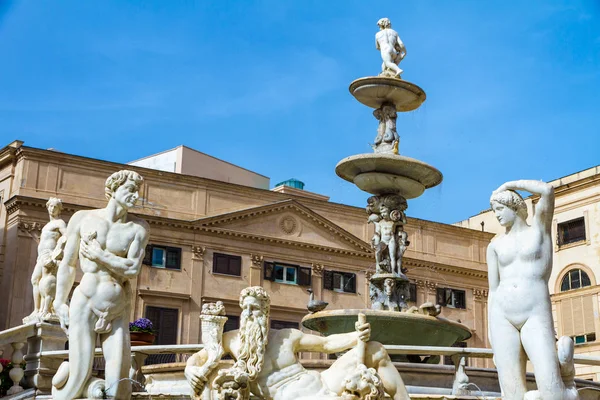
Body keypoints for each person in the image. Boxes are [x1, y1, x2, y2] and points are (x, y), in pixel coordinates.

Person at [185, 286, 409, 400]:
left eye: (255, 308)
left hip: (320, 381)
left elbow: (327, 344)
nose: (250, 314)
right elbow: (201, 357)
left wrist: (356, 336)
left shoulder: (286, 336)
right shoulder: (232, 340)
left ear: (265, 311)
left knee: (376, 349)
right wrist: (190, 370)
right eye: (246, 309)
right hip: (290, 396)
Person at [51, 170, 150, 400]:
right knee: (76, 380)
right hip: (85, 301)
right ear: (113, 190)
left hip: (118, 309)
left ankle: (95, 389)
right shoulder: (83, 219)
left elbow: (132, 269)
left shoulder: (139, 229)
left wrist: (99, 255)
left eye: (137, 192)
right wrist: (58, 301)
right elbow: (67, 264)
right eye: (130, 190)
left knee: (119, 387)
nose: (135, 196)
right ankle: (69, 382)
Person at [487, 180, 578, 400]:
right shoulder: (495, 245)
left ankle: (567, 380)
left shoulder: (539, 230)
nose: (496, 216)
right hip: (502, 316)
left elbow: (547, 190)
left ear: (515, 207)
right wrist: (491, 331)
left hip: (534, 313)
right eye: (493, 211)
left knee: (552, 394)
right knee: (512, 395)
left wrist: (509, 185)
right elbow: (493, 289)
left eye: (499, 209)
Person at [24, 197, 67, 323]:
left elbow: (66, 236)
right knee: (35, 280)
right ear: (47, 207)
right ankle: (37, 309)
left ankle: (46, 309)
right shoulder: (46, 226)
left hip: (49, 254)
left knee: (46, 282)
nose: (52, 209)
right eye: (51, 206)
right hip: (41, 256)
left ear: (59, 210)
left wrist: (58, 249)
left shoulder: (59, 223)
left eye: (55, 207)